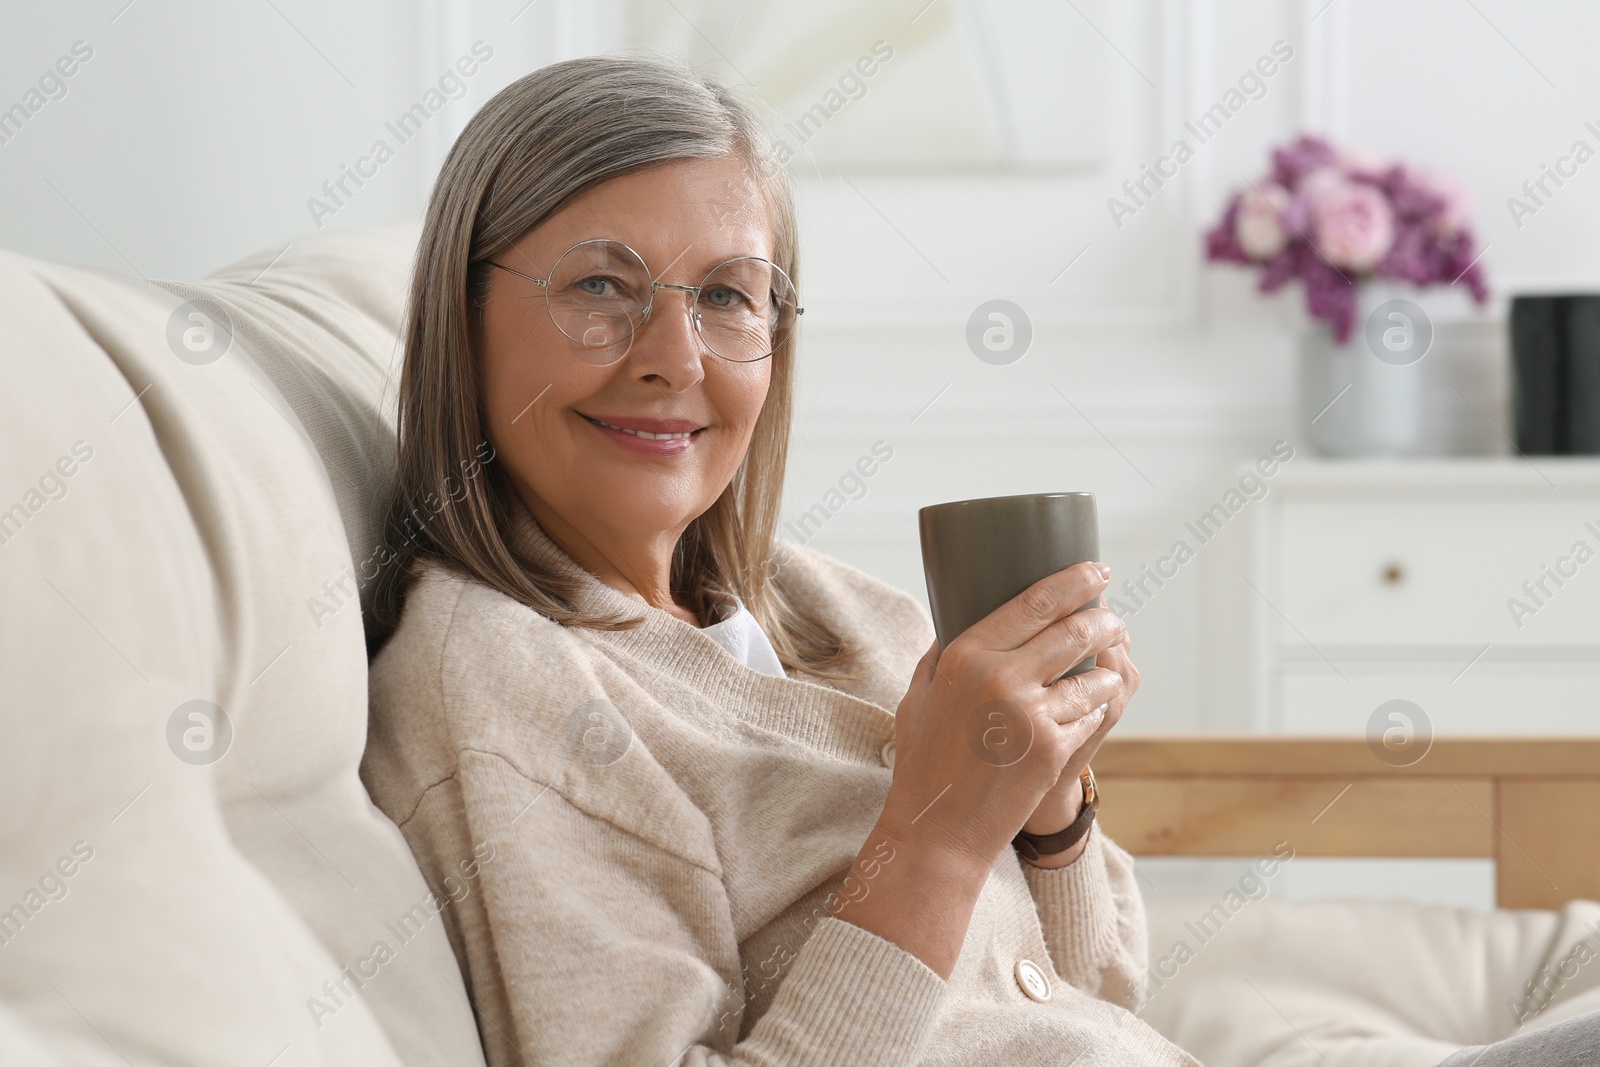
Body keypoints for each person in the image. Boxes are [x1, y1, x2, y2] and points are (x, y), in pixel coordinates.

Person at [359, 53, 1192, 1066]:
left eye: (725, 296)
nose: (676, 354)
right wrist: (936, 833)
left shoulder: (838, 611)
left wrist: (1045, 805)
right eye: (600, 285)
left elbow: (1094, 991)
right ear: (461, 314)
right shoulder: (505, 687)